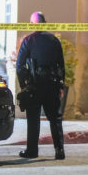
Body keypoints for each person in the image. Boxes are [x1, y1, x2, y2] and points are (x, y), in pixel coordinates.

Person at [16, 11, 66, 160]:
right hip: (52, 85)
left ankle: (32, 151)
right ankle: (59, 150)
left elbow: (20, 65)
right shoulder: (54, 41)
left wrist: (25, 84)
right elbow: (61, 65)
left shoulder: (28, 41)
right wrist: (61, 85)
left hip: (35, 86)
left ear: (32, 24)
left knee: (33, 119)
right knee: (55, 119)